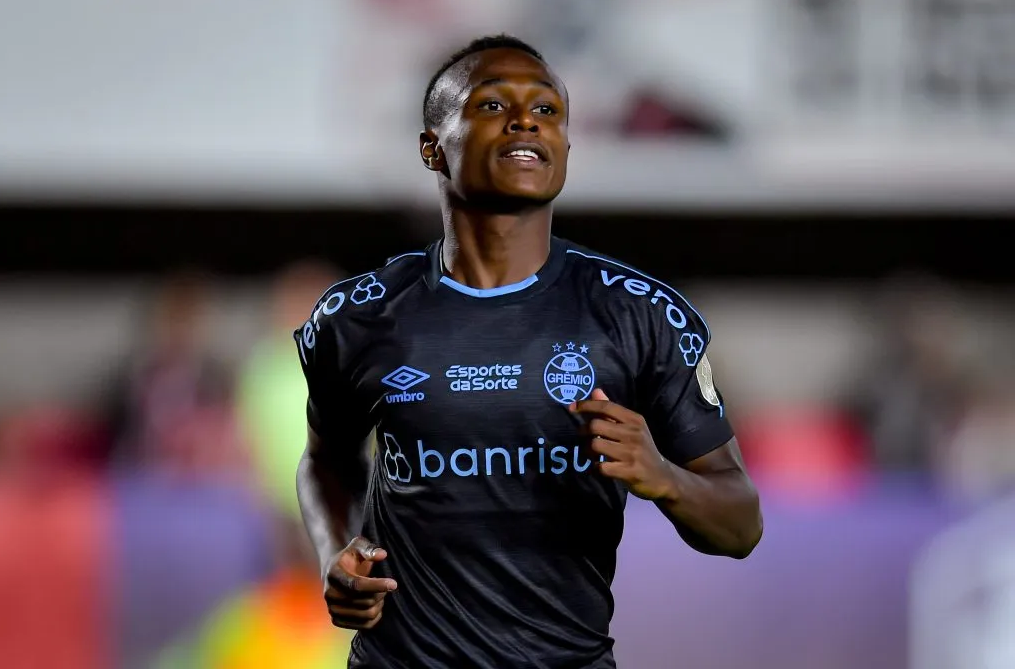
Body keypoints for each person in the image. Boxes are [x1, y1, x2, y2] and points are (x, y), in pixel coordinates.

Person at [294, 34, 763, 669]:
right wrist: (337, 555)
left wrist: (664, 478)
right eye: (491, 106)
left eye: (547, 110)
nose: (526, 122)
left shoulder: (640, 314)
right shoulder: (359, 315)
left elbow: (741, 526)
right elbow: (325, 461)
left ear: (566, 145)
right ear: (432, 148)